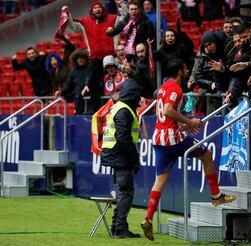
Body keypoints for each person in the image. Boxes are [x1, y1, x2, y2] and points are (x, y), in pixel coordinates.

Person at [140, 59, 236, 241]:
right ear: (179, 71)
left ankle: (148, 219)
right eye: (185, 68)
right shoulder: (175, 88)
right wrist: (190, 122)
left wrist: (182, 126)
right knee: (206, 155)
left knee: (159, 181)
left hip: (159, 138)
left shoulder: (163, 87)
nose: (187, 71)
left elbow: (165, 115)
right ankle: (216, 195)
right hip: (172, 138)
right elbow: (168, 110)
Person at [60, 2, 120, 113]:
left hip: (110, 57)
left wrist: (123, 6)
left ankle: (114, 108)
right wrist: (67, 14)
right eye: (95, 8)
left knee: (113, 82)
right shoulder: (85, 21)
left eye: (99, 7)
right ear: (92, 11)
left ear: (102, 9)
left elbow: (124, 21)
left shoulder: (113, 18)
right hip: (94, 58)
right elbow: (73, 26)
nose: (97, 9)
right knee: (93, 85)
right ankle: (95, 111)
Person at [101, 78, 142, 238]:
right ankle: (120, 227)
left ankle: (117, 225)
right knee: (126, 191)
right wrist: (134, 159)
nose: (139, 99)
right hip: (119, 154)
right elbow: (124, 137)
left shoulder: (119, 107)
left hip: (114, 153)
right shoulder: (125, 110)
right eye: (138, 95)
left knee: (123, 190)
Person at [55, 49, 90, 115]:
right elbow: (69, 85)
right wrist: (61, 91)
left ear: (86, 59)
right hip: (78, 100)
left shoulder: (90, 69)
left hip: (90, 99)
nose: (80, 60)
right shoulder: (73, 71)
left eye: (82, 58)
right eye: (78, 58)